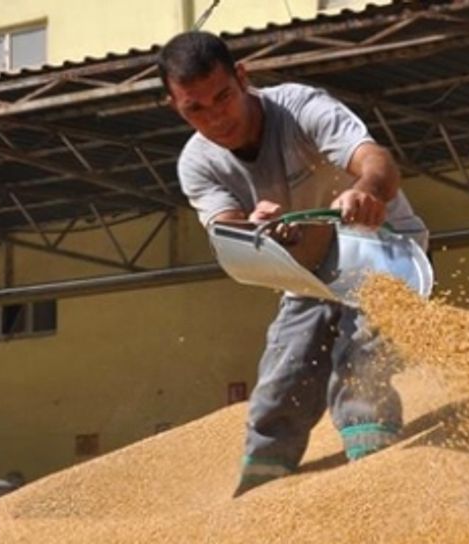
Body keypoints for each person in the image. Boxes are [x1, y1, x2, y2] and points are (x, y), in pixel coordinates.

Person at [158, 31, 428, 497]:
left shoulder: (301, 107)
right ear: (175, 107)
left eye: (222, 97)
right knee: (281, 382)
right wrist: (253, 229)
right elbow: (226, 230)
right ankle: (263, 491)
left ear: (243, 78)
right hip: (303, 274)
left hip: (380, 251)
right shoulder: (197, 164)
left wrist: (366, 191)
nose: (215, 116)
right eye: (194, 109)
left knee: (360, 360)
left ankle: (379, 479)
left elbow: (377, 161)